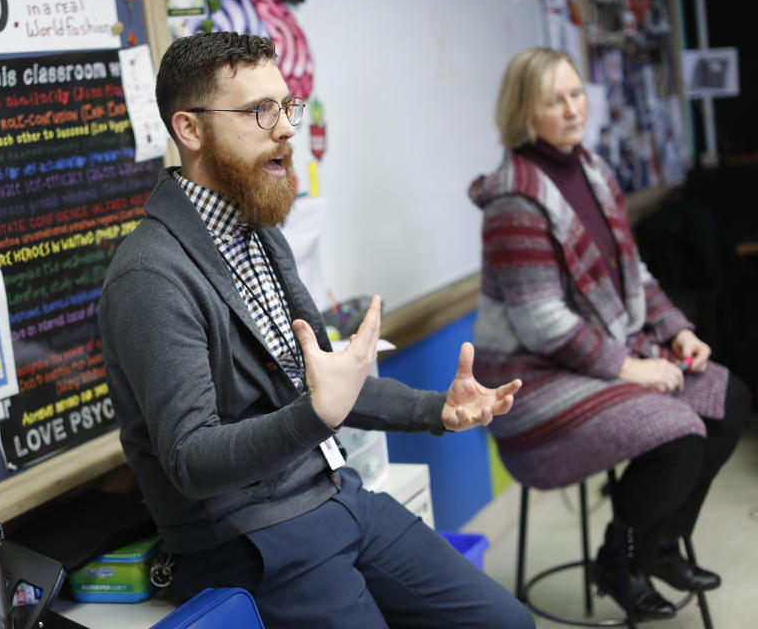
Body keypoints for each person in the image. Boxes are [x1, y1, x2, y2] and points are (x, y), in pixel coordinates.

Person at [99, 32, 533, 628]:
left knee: (505, 623)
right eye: (259, 111)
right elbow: (191, 459)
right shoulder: (151, 275)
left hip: (334, 493)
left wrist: (439, 410)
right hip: (249, 542)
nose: (285, 129)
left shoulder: (260, 232)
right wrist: (316, 416)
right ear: (190, 131)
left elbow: (329, 380)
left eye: (286, 107)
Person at [469, 47, 749, 621]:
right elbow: (542, 324)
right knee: (676, 434)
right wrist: (631, 367)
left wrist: (675, 332)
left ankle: (658, 547)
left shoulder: (592, 170)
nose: (574, 109)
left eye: (577, 93)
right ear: (525, 111)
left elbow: (633, 275)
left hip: (597, 354)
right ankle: (621, 560)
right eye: (556, 100)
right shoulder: (513, 201)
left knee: (731, 398)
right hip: (532, 380)